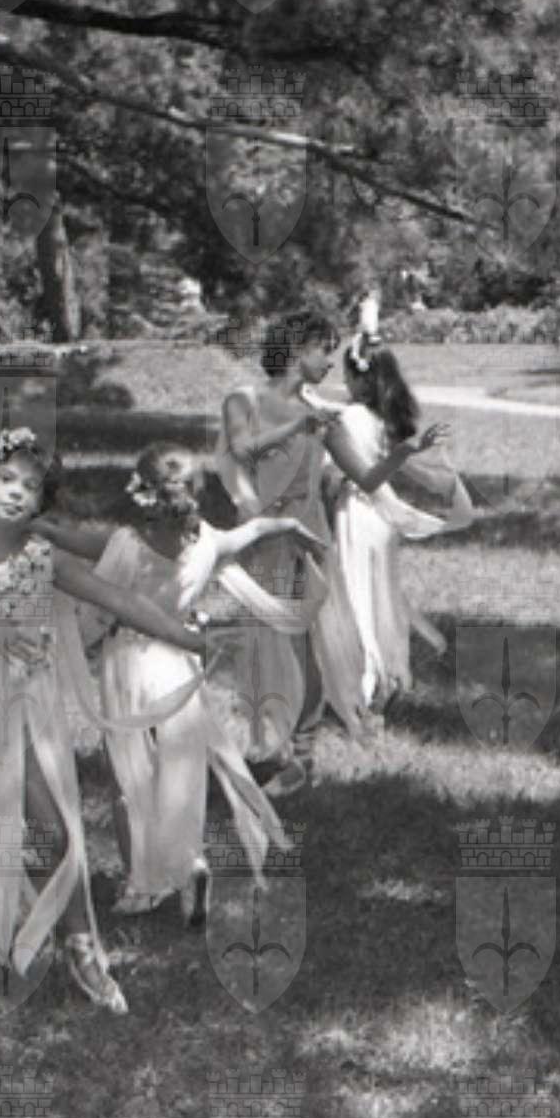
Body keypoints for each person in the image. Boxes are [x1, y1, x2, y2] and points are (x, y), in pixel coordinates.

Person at [0, 427, 207, 1013]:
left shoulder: (41, 558)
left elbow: (119, 600)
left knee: (51, 827)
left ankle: (79, 946)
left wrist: (188, 638)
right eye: (7, 479)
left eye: (31, 487)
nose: (17, 492)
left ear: (41, 504)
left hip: (27, 706)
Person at [84, 444, 320, 921]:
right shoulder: (206, 541)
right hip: (179, 661)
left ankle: (140, 886)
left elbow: (99, 606)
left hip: (128, 663)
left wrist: (87, 645)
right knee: (179, 768)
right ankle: (188, 862)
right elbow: (247, 534)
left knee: (128, 774)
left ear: (142, 490)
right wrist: (283, 525)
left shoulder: (128, 544)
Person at [215, 309, 354, 791]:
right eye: (324, 350)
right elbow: (242, 450)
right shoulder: (243, 400)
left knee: (305, 640)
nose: (331, 362)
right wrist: (299, 426)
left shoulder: (320, 413)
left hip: (307, 536)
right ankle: (272, 743)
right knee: (263, 641)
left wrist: (403, 459)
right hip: (262, 536)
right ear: (296, 350)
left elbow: (357, 471)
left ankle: (303, 750)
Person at [320, 333, 472, 713]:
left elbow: (348, 476)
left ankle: (364, 682)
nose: (343, 382)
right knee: (382, 593)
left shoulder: (347, 418)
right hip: (381, 519)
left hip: (355, 513)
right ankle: (389, 672)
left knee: (355, 593)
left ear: (359, 378)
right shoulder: (381, 419)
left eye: (346, 374)